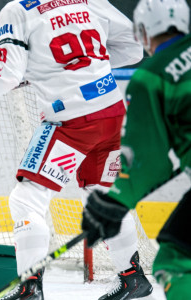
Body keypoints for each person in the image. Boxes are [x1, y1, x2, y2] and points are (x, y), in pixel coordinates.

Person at [0, 1, 151, 299]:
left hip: (71, 122)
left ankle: (29, 288)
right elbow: (135, 47)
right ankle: (134, 278)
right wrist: (66, 69)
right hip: (112, 113)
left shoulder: (18, 10)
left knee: (27, 200)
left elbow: (6, 74)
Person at [81, 0, 191, 299]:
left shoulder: (152, 76)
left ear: (143, 31)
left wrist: (113, 202)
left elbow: (149, 161)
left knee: (175, 260)